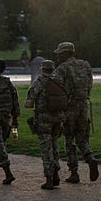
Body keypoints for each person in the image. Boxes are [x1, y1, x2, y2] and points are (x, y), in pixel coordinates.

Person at [54, 41, 99, 183]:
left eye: (59, 54)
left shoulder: (62, 68)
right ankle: (90, 158)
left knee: (69, 139)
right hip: (84, 104)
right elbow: (90, 83)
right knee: (82, 137)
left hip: (69, 107)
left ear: (65, 53)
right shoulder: (85, 65)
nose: (58, 57)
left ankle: (74, 172)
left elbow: (56, 88)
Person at [24, 59, 64, 190]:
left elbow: (29, 103)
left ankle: (49, 179)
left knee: (46, 149)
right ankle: (56, 174)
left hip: (44, 119)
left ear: (42, 69)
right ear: (53, 69)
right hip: (58, 118)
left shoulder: (39, 82)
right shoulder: (59, 81)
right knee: (55, 146)